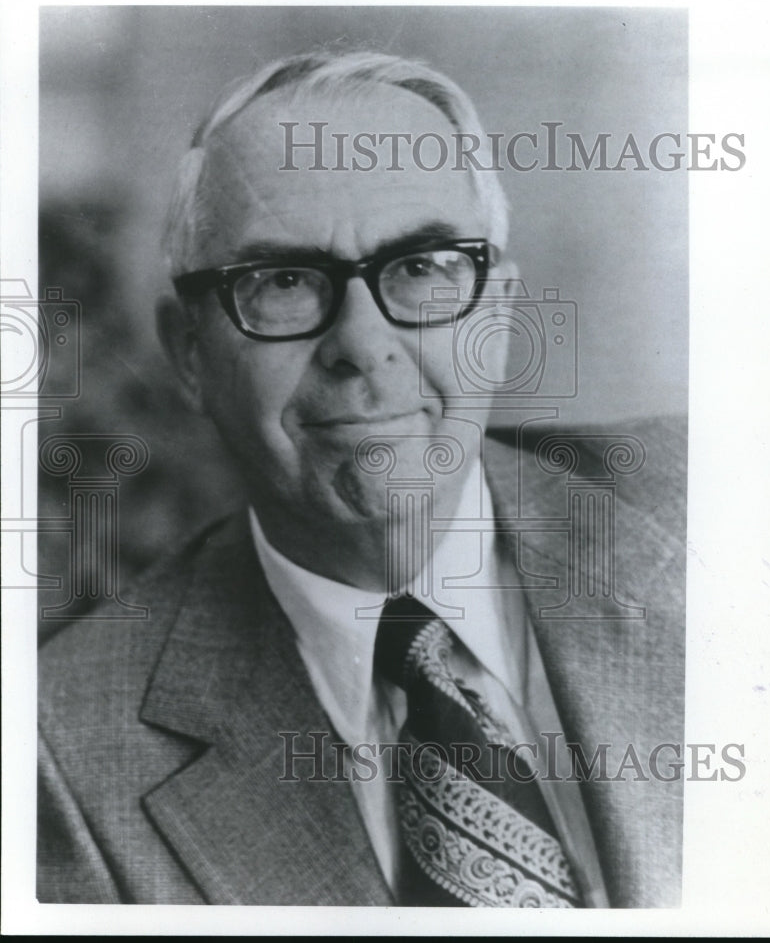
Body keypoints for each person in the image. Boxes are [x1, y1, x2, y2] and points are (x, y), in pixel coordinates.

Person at [36, 50, 686, 908]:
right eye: (285, 282)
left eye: (421, 267)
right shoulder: (61, 751)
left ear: (497, 310)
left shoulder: (735, 518)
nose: (362, 345)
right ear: (190, 355)